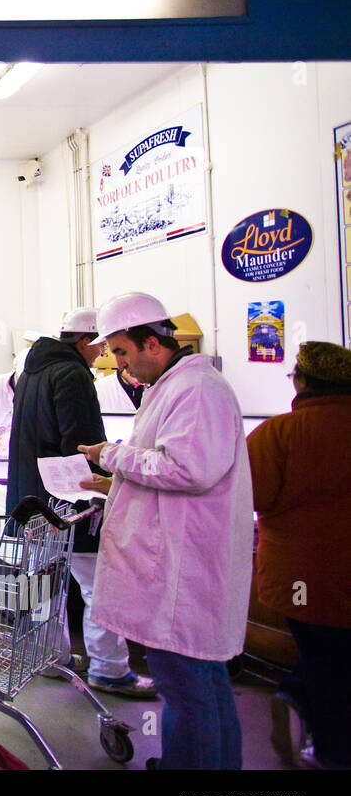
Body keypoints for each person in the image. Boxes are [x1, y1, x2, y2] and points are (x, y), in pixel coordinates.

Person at [78, 291, 253, 770]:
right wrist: (118, 478)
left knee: (187, 691)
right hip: (180, 567)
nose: (117, 363)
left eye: (121, 352)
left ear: (152, 343)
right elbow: (168, 461)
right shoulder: (175, 387)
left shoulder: (195, 389)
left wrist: (109, 455)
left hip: (183, 573)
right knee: (203, 685)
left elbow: (188, 468)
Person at [8, 307, 156, 697]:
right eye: (104, 347)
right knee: (99, 584)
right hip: (71, 500)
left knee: (45, 581)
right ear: (86, 341)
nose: (105, 355)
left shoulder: (31, 371)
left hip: (33, 497)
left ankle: (51, 657)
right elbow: (83, 442)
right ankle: (109, 668)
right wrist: (106, 472)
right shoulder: (72, 373)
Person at [247, 341, 351, 770]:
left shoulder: (276, 434)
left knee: (327, 657)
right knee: (335, 657)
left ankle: (329, 749)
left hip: (300, 577)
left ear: (303, 381)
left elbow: (253, 496)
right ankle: (301, 703)